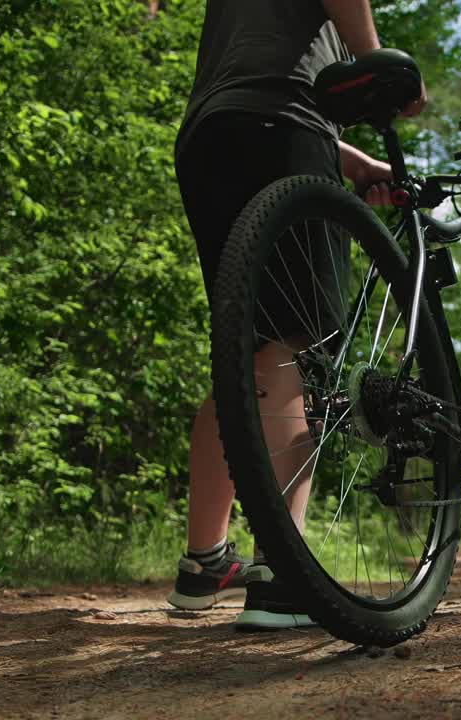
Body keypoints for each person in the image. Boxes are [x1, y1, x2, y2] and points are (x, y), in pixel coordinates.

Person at [166, 0, 426, 630]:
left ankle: (205, 560)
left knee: (246, 355)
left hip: (211, 135)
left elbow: (262, 76)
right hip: (278, 133)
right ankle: (284, 574)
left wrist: (351, 162)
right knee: (292, 348)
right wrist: (376, 64)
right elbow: (284, 95)